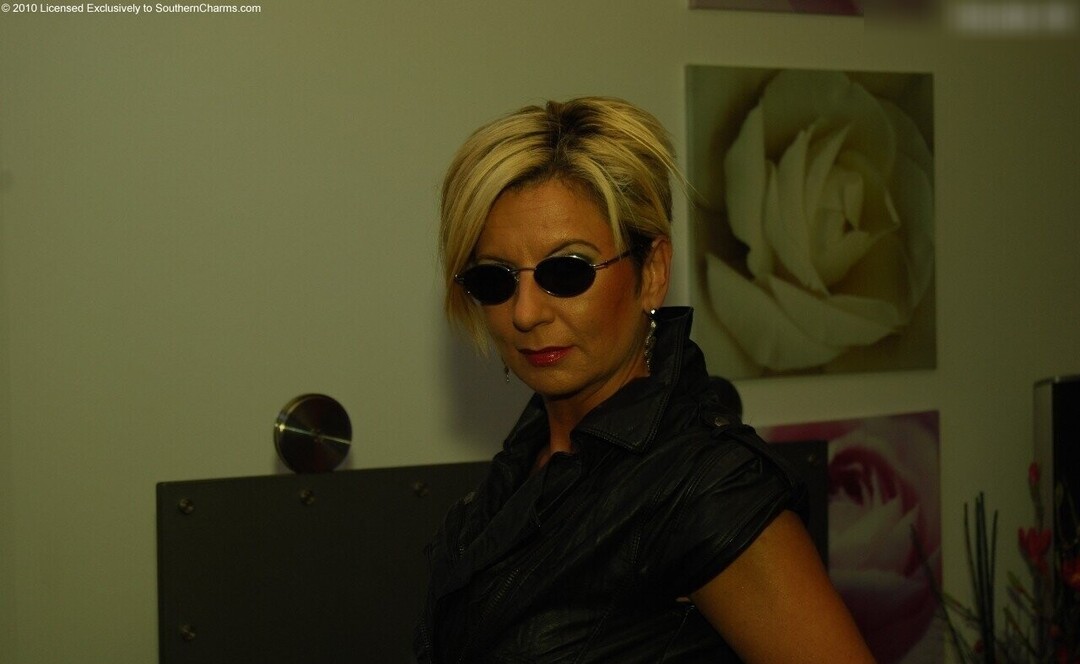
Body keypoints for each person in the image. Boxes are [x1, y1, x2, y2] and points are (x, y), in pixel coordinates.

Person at [415, 96, 875, 663]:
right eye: (495, 279)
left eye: (567, 271)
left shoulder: (709, 487)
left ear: (652, 272)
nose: (526, 312)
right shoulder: (528, 460)